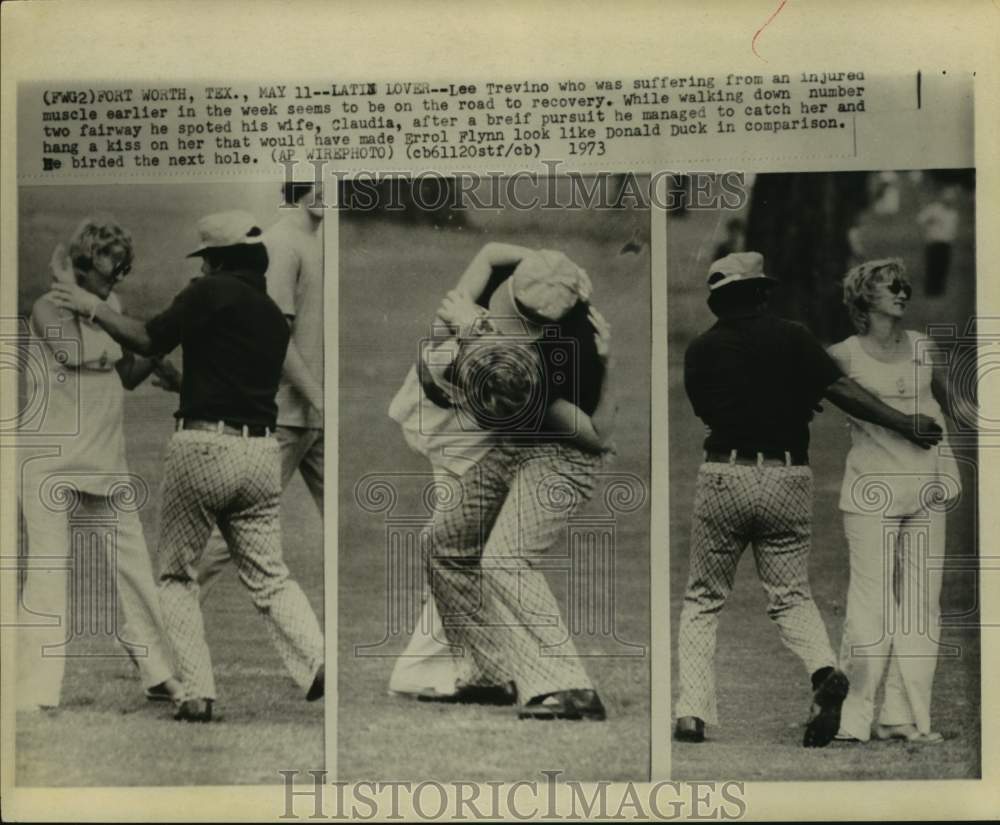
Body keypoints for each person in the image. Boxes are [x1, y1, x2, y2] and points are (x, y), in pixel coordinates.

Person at [49, 210, 325, 722]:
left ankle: (197, 694)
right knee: (270, 576)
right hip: (262, 455)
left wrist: (91, 306)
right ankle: (317, 657)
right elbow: (234, 374)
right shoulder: (269, 312)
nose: (199, 272)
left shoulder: (208, 293)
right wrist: (183, 381)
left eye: (205, 261)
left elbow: (149, 339)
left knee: (176, 575)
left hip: (203, 448)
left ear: (217, 259)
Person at [673, 251, 943, 747]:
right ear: (761, 294)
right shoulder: (795, 337)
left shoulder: (700, 350)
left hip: (725, 473)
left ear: (717, 302)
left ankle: (691, 712)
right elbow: (838, 389)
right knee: (791, 594)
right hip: (788, 476)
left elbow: (708, 412)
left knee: (704, 599)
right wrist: (904, 422)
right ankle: (823, 672)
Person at [420, 244, 618, 721]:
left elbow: (595, 437)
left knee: (506, 558)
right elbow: (488, 253)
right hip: (513, 444)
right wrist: (563, 268)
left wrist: (477, 335)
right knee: (443, 542)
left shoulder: (563, 355)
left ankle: (571, 687)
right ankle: (488, 675)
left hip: (563, 454)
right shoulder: (529, 286)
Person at [17, 217, 184, 711]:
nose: (118, 279)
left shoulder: (107, 306)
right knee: (48, 573)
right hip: (49, 465)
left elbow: (124, 373)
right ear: (82, 266)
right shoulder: (47, 306)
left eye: (123, 269)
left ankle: (162, 673)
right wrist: (120, 328)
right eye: (110, 269)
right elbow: (77, 354)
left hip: (105, 461)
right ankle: (35, 690)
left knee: (135, 568)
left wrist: (155, 354)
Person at [830, 258, 961, 744]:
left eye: (905, 286)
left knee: (922, 606)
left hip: (926, 488)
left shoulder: (925, 348)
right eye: (891, 287)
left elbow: (960, 407)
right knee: (871, 603)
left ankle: (902, 717)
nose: (903, 293)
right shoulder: (843, 355)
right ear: (864, 299)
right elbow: (812, 391)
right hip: (870, 491)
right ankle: (853, 717)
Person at [195, 181, 325, 596]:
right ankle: (153, 624)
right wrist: (319, 399)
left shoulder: (312, 241)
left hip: (313, 418)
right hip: (287, 415)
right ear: (305, 192)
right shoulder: (282, 244)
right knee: (232, 530)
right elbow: (276, 337)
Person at [915, 187, 959, 297]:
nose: (949, 201)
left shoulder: (953, 213)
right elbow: (920, 219)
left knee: (943, 267)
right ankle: (930, 291)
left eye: (951, 199)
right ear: (942, 198)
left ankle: (939, 291)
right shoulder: (934, 209)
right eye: (947, 198)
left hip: (946, 243)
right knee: (932, 267)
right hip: (933, 242)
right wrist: (929, 222)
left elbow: (952, 230)